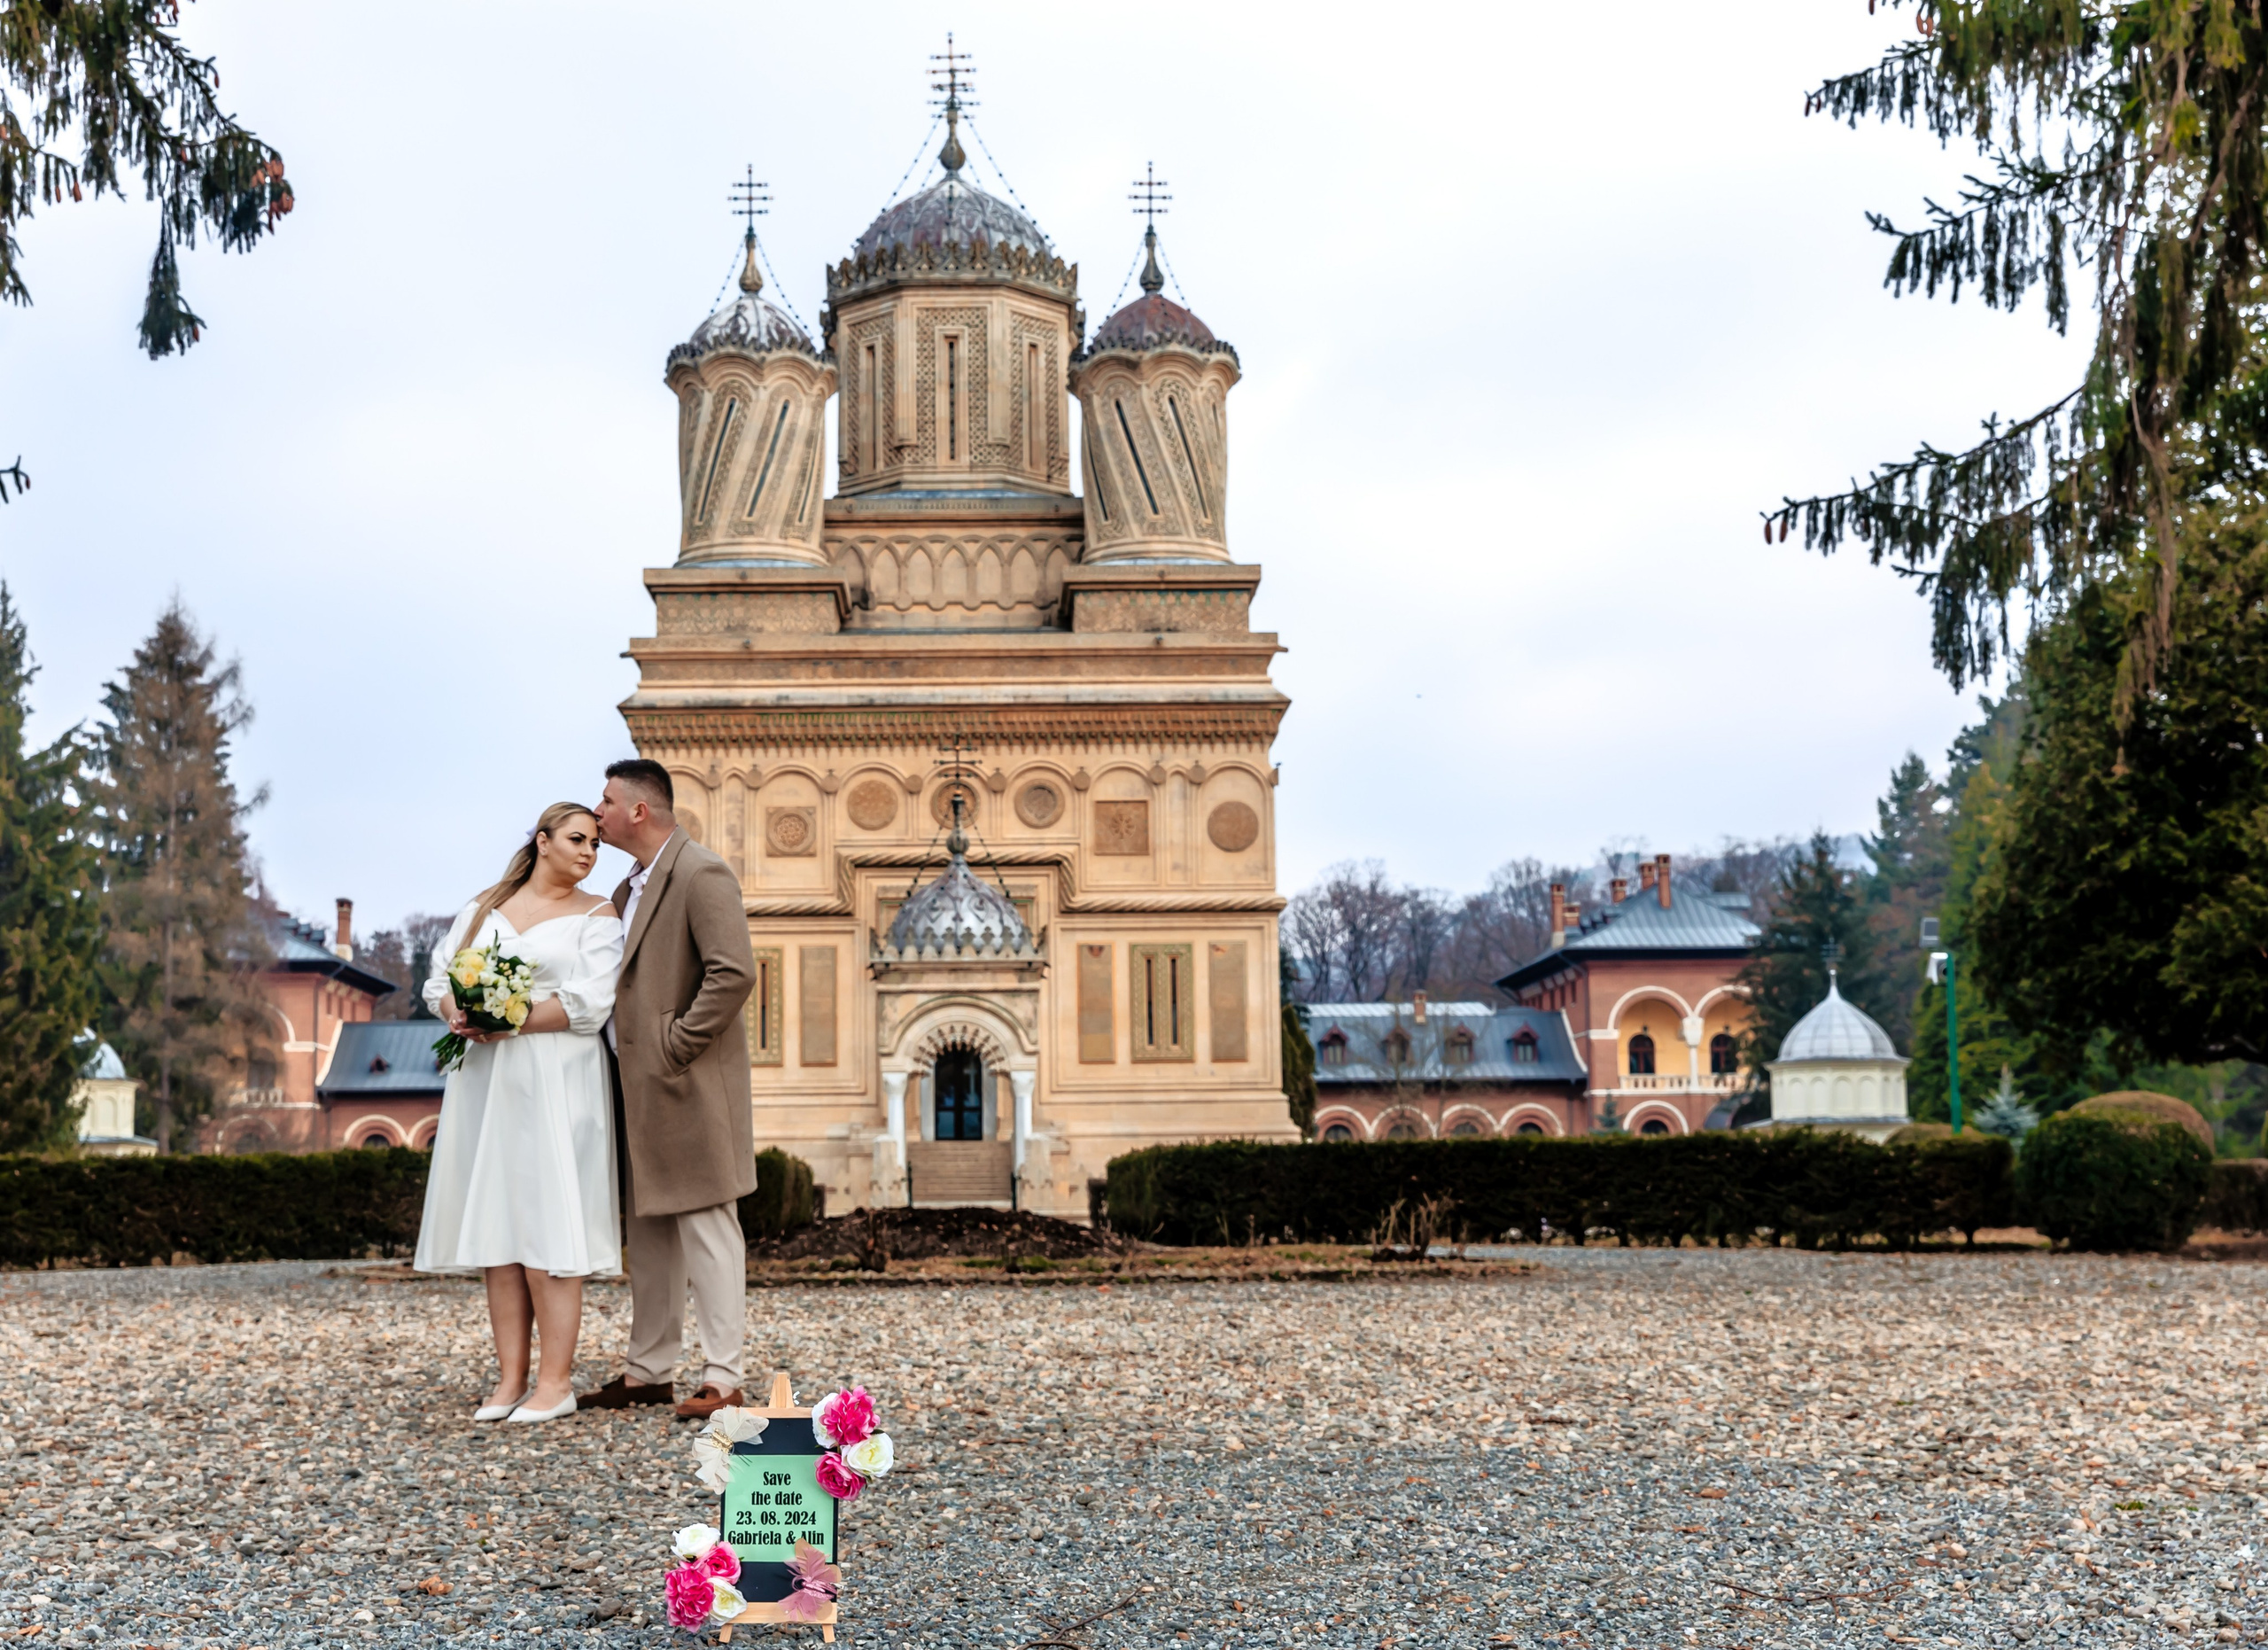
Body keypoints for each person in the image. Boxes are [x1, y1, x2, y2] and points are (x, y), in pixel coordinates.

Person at [414, 802, 625, 1424]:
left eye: (596, 845)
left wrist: (509, 1019)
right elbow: (441, 978)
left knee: (548, 1223)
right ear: (543, 840)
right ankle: (509, 1381)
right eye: (579, 840)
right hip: (487, 1079)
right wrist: (461, 1012)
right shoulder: (484, 908)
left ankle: (555, 1384)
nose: (590, 853)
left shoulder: (598, 915)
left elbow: (593, 999)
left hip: (557, 1078)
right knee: (500, 1226)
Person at [582, 759, 758, 1422]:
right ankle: (649, 1370)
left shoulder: (701, 871)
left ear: (638, 811)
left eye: (605, 802)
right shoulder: (629, 888)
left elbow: (733, 972)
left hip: (686, 1085)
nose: (596, 813)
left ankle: (724, 1377)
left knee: (710, 1225)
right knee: (650, 1230)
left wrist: (675, 1044)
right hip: (635, 1089)